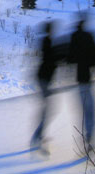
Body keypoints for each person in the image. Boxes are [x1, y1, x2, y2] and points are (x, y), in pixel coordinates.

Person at [68, 18, 95, 151]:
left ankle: (87, 136)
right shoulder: (88, 37)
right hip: (87, 78)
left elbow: (70, 58)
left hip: (79, 79)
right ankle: (89, 136)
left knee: (84, 110)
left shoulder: (74, 38)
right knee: (90, 110)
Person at [31, 21, 59, 153]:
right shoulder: (47, 41)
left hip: (44, 78)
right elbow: (50, 59)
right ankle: (37, 137)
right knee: (48, 109)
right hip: (43, 78)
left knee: (47, 108)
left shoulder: (47, 41)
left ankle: (39, 135)